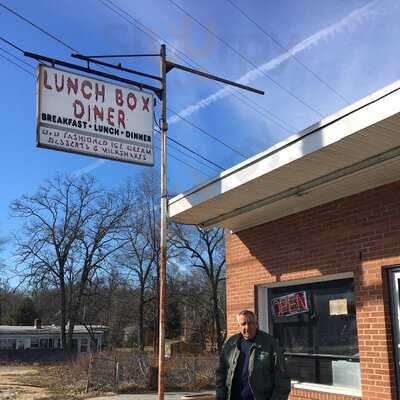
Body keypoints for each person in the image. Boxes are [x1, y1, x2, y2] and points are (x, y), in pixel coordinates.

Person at [216, 310, 291, 400]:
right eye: (243, 324)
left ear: (256, 324)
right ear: (238, 326)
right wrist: (220, 396)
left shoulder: (270, 344)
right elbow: (221, 373)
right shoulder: (231, 343)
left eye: (250, 323)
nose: (247, 327)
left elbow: (282, 379)